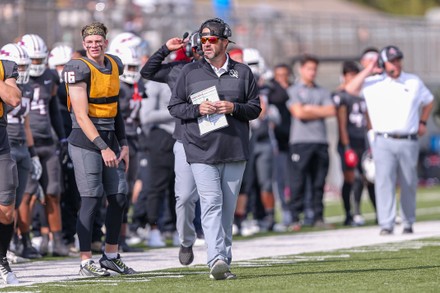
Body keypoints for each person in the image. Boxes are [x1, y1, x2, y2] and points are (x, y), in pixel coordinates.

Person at [168, 17, 261, 280]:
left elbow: (255, 108)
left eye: (211, 40)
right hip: (200, 149)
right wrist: (198, 109)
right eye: (203, 39)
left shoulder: (243, 72)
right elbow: (174, 107)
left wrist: (234, 108)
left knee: (226, 211)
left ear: (224, 42)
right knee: (211, 203)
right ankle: (216, 259)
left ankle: (224, 258)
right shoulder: (189, 72)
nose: (206, 44)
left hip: (234, 149)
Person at [62, 22, 135, 276]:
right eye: (89, 42)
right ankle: (85, 261)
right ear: (84, 45)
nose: (94, 45)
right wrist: (103, 147)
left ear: (105, 41)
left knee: (119, 197)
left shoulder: (114, 64)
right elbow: (82, 116)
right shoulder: (78, 67)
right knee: (91, 199)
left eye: (98, 41)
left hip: (109, 140)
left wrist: (123, 143)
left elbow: (114, 109)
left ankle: (111, 256)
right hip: (85, 141)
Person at [345, 45, 434, 235]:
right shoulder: (372, 83)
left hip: (409, 139)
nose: (396, 64)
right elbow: (349, 89)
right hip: (383, 140)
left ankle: (408, 221)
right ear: (383, 63)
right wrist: (369, 68)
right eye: (391, 61)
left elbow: (429, 100)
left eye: (398, 60)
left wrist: (423, 121)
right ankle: (386, 223)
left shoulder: (413, 81)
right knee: (384, 181)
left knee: (409, 181)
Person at [140, 31, 204, 265]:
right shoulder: (179, 70)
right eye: (200, 47)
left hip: (216, 140)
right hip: (183, 138)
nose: (204, 52)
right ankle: (183, 238)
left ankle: (220, 251)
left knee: (215, 198)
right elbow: (147, 72)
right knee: (183, 195)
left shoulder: (227, 70)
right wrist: (165, 49)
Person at [18, 34, 69, 257]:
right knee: (27, 195)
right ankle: (24, 241)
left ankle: (57, 241)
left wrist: (63, 137)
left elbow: (53, 109)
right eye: (33, 60)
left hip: (48, 142)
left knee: (53, 193)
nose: (37, 65)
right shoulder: (15, 76)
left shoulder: (51, 77)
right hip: (26, 141)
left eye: (40, 60)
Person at [1, 43, 42, 260]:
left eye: (25, 66)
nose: (24, 70)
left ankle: (16, 245)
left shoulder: (22, 87)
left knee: (17, 201)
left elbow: (25, 120)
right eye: (20, 66)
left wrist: (33, 153)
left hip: (18, 146)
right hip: (7, 144)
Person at [286, 54, 336, 230]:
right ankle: (294, 218)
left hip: (320, 141)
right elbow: (298, 113)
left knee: (318, 182)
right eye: (309, 68)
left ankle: (318, 217)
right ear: (301, 69)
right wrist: (318, 110)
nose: (312, 72)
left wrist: (309, 108)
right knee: (298, 181)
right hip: (300, 142)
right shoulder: (293, 90)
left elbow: (331, 110)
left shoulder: (322, 91)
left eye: (314, 69)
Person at [109, 45, 146, 252]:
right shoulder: (117, 85)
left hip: (133, 140)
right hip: (118, 141)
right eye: (128, 65)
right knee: (118, 190)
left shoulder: (136, 85)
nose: (132, 70)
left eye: (134, 65)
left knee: (128, 188)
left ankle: (121, 237)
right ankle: (111, 238)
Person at [332, 61, 376, 226]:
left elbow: (368, 120)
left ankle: (378, 212)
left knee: (369, 178)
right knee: (352, 179)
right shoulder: (341, 95)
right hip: (348, 143)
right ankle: (350, 213)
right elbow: (342, 123)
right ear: (344, 77)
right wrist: (347, 146)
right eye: (350, 75)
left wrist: (371, 142)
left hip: (362, 141)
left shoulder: (362, 95)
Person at [0, 56, 22, 284]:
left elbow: (14, 99)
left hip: (0, 144)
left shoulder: (5, 66)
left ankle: (1, 260)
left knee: (7, 211)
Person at [268, 63, 293, 228]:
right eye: (279, 75)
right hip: (279, 141)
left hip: (295, 139)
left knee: (294, 179)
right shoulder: (273, 91)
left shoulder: (294, 89)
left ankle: (297, 212)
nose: (282, 78)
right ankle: (285, 213)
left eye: (285, 74)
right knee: (281, 180)